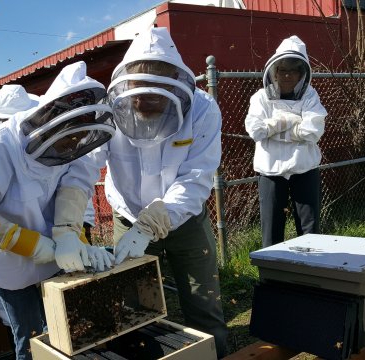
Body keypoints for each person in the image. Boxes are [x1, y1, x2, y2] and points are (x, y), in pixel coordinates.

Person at [0, 61, 116, 360]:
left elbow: (75, 185)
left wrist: (69, 235)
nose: (73, 145)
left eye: (78, 139)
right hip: (9, 260)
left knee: (69, 328)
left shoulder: (74, 135)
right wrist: (34, 246)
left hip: (56, 252)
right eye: (69, 139)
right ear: (51, 121)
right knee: (31, 337)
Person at [93, 27, 228, 358]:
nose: (143, 101)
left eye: (155, 95)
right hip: (127, 216)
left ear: (174, 85)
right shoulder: (108, 110)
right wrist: (73, 225)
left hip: (186, 220)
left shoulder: (202, 109)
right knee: (135, 306)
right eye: (137, 92)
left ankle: (218, 353)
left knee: (203, 301)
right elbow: (83, 168)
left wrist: (156, 220)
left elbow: (197, 175)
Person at [244, 35, 327, 249]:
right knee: (271, 233)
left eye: (293, 70)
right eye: (283, 70)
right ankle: (272, 279)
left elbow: (313, 130)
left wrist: (273, 129)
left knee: (310, 232)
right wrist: (285, 122)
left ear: (302, 74)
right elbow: (255, 129)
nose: (288, 75)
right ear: (275, 72)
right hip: (271, 173)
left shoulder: (310, 96)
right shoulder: (261, 97)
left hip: (304, 169)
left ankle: (311, 277)